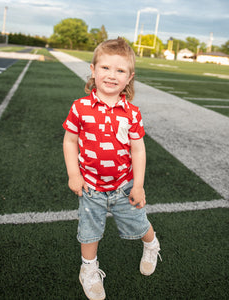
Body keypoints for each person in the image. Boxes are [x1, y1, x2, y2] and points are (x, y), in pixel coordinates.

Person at [63, 37, 161, 300]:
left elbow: (138, 149)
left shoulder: (132, 113)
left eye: (120, 70)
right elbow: (70, 141)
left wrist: (138, 185)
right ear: (93, 71)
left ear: (129, 78)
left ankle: (152, 245)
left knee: (139, 224)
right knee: (89, 230)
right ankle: (89, 270)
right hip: (91, 187)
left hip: (124, 186)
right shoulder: (80, 107)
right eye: (105, 68)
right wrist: (74, 173)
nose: (111, 75)